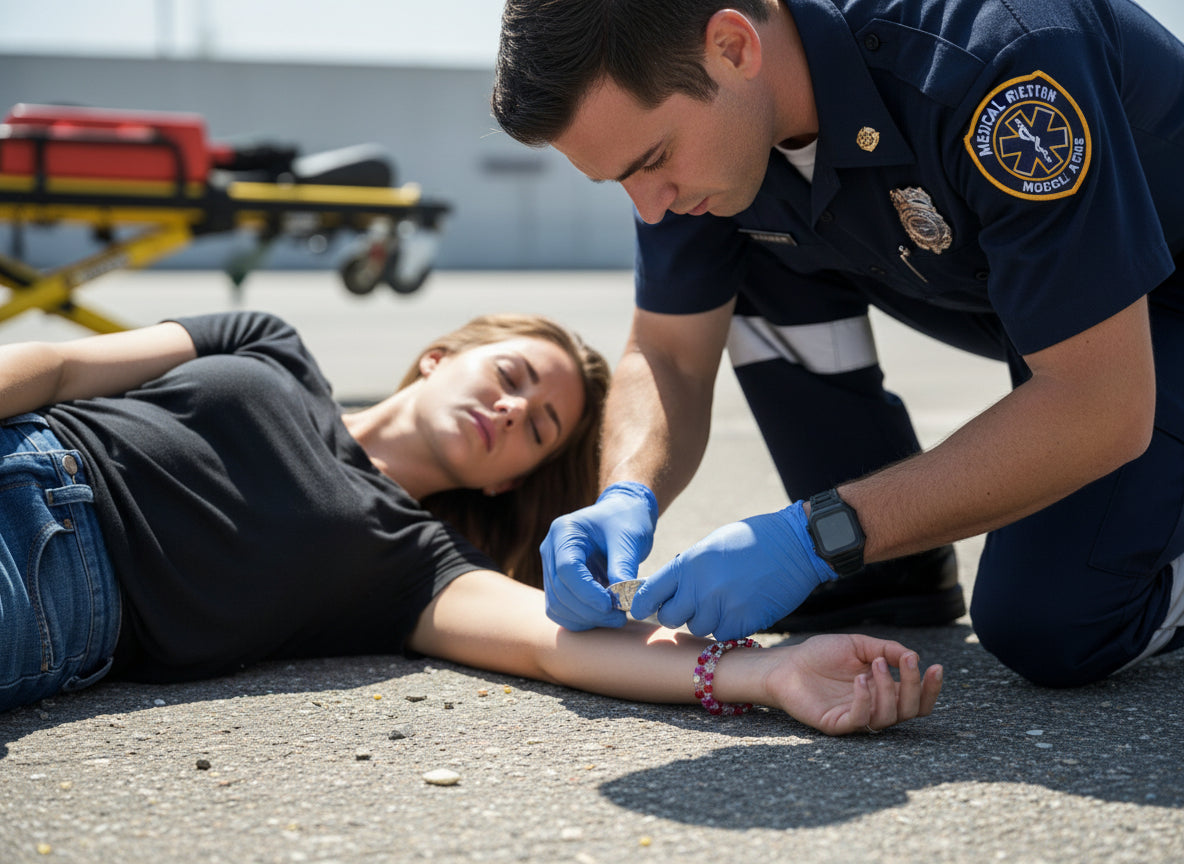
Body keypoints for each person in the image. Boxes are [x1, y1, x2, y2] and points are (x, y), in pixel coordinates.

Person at [492, 0, 1184, 688]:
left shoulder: (997, 59)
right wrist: (624, 492)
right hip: (1052, 298)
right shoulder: (707, 124)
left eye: (652, 160)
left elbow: (1099, 405)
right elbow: (669, 351)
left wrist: (819, 535)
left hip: (1163, 302)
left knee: (1054, 622)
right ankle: (888, 575)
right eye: (621, 181)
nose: (650, 207)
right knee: (735, 228)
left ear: (733, 47)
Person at [0, 309, 942, 734]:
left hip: (51, 574)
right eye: (512, 376)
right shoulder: (268, 343)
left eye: (539, 429)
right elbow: (57, 368)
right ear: (441, 355)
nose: (512, 410)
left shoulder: (418, 568)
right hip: (25, 438)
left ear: (513, 483)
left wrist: (766, 672)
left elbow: (557, 645)